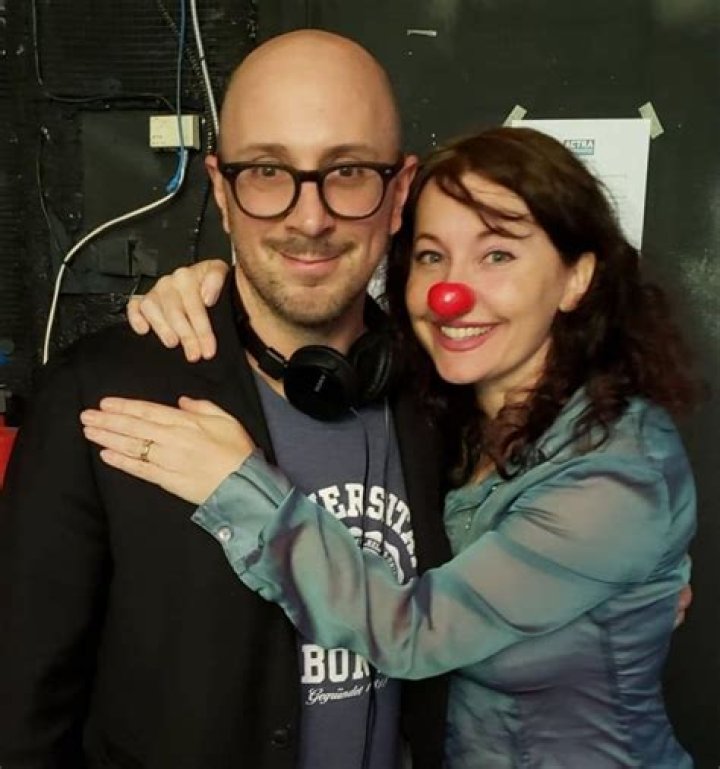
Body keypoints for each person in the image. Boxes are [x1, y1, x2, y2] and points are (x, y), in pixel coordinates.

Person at [82, 126, 698, 768]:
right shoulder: (456, 417)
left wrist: (235, 484)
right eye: (431, 256)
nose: (451, 293)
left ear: (576, 279)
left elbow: (414, 634)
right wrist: (221, 293)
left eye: (497, 256)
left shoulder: (621, 471)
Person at [0, 30, 452, 769]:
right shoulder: (98, 395)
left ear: (398, 193)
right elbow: (23, 716)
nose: (310, 218)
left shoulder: (443, 391)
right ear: (221, 189)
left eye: (347, 172)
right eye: (268, 171)